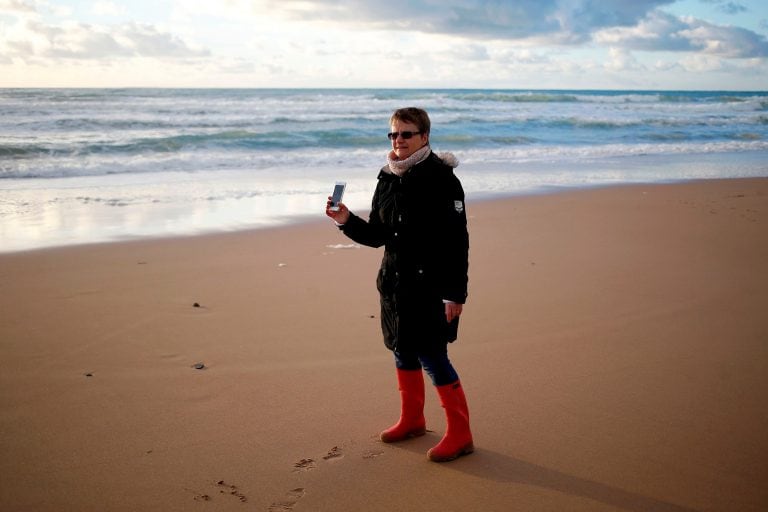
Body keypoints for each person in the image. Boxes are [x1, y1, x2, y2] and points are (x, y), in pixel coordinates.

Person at [325, 107, 473, 462]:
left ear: (424, 136)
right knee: (402, 350)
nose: (398, 140)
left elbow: (457, 241)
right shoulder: (387, 176)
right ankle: (413, 420)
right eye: (393, 134)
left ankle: (461, 434)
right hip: (394, 282)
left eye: (406, 133)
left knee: (434, 357)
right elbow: (379, 235)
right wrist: (346, 221)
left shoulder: (443, 178)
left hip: (432, 287)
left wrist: (455, 293)